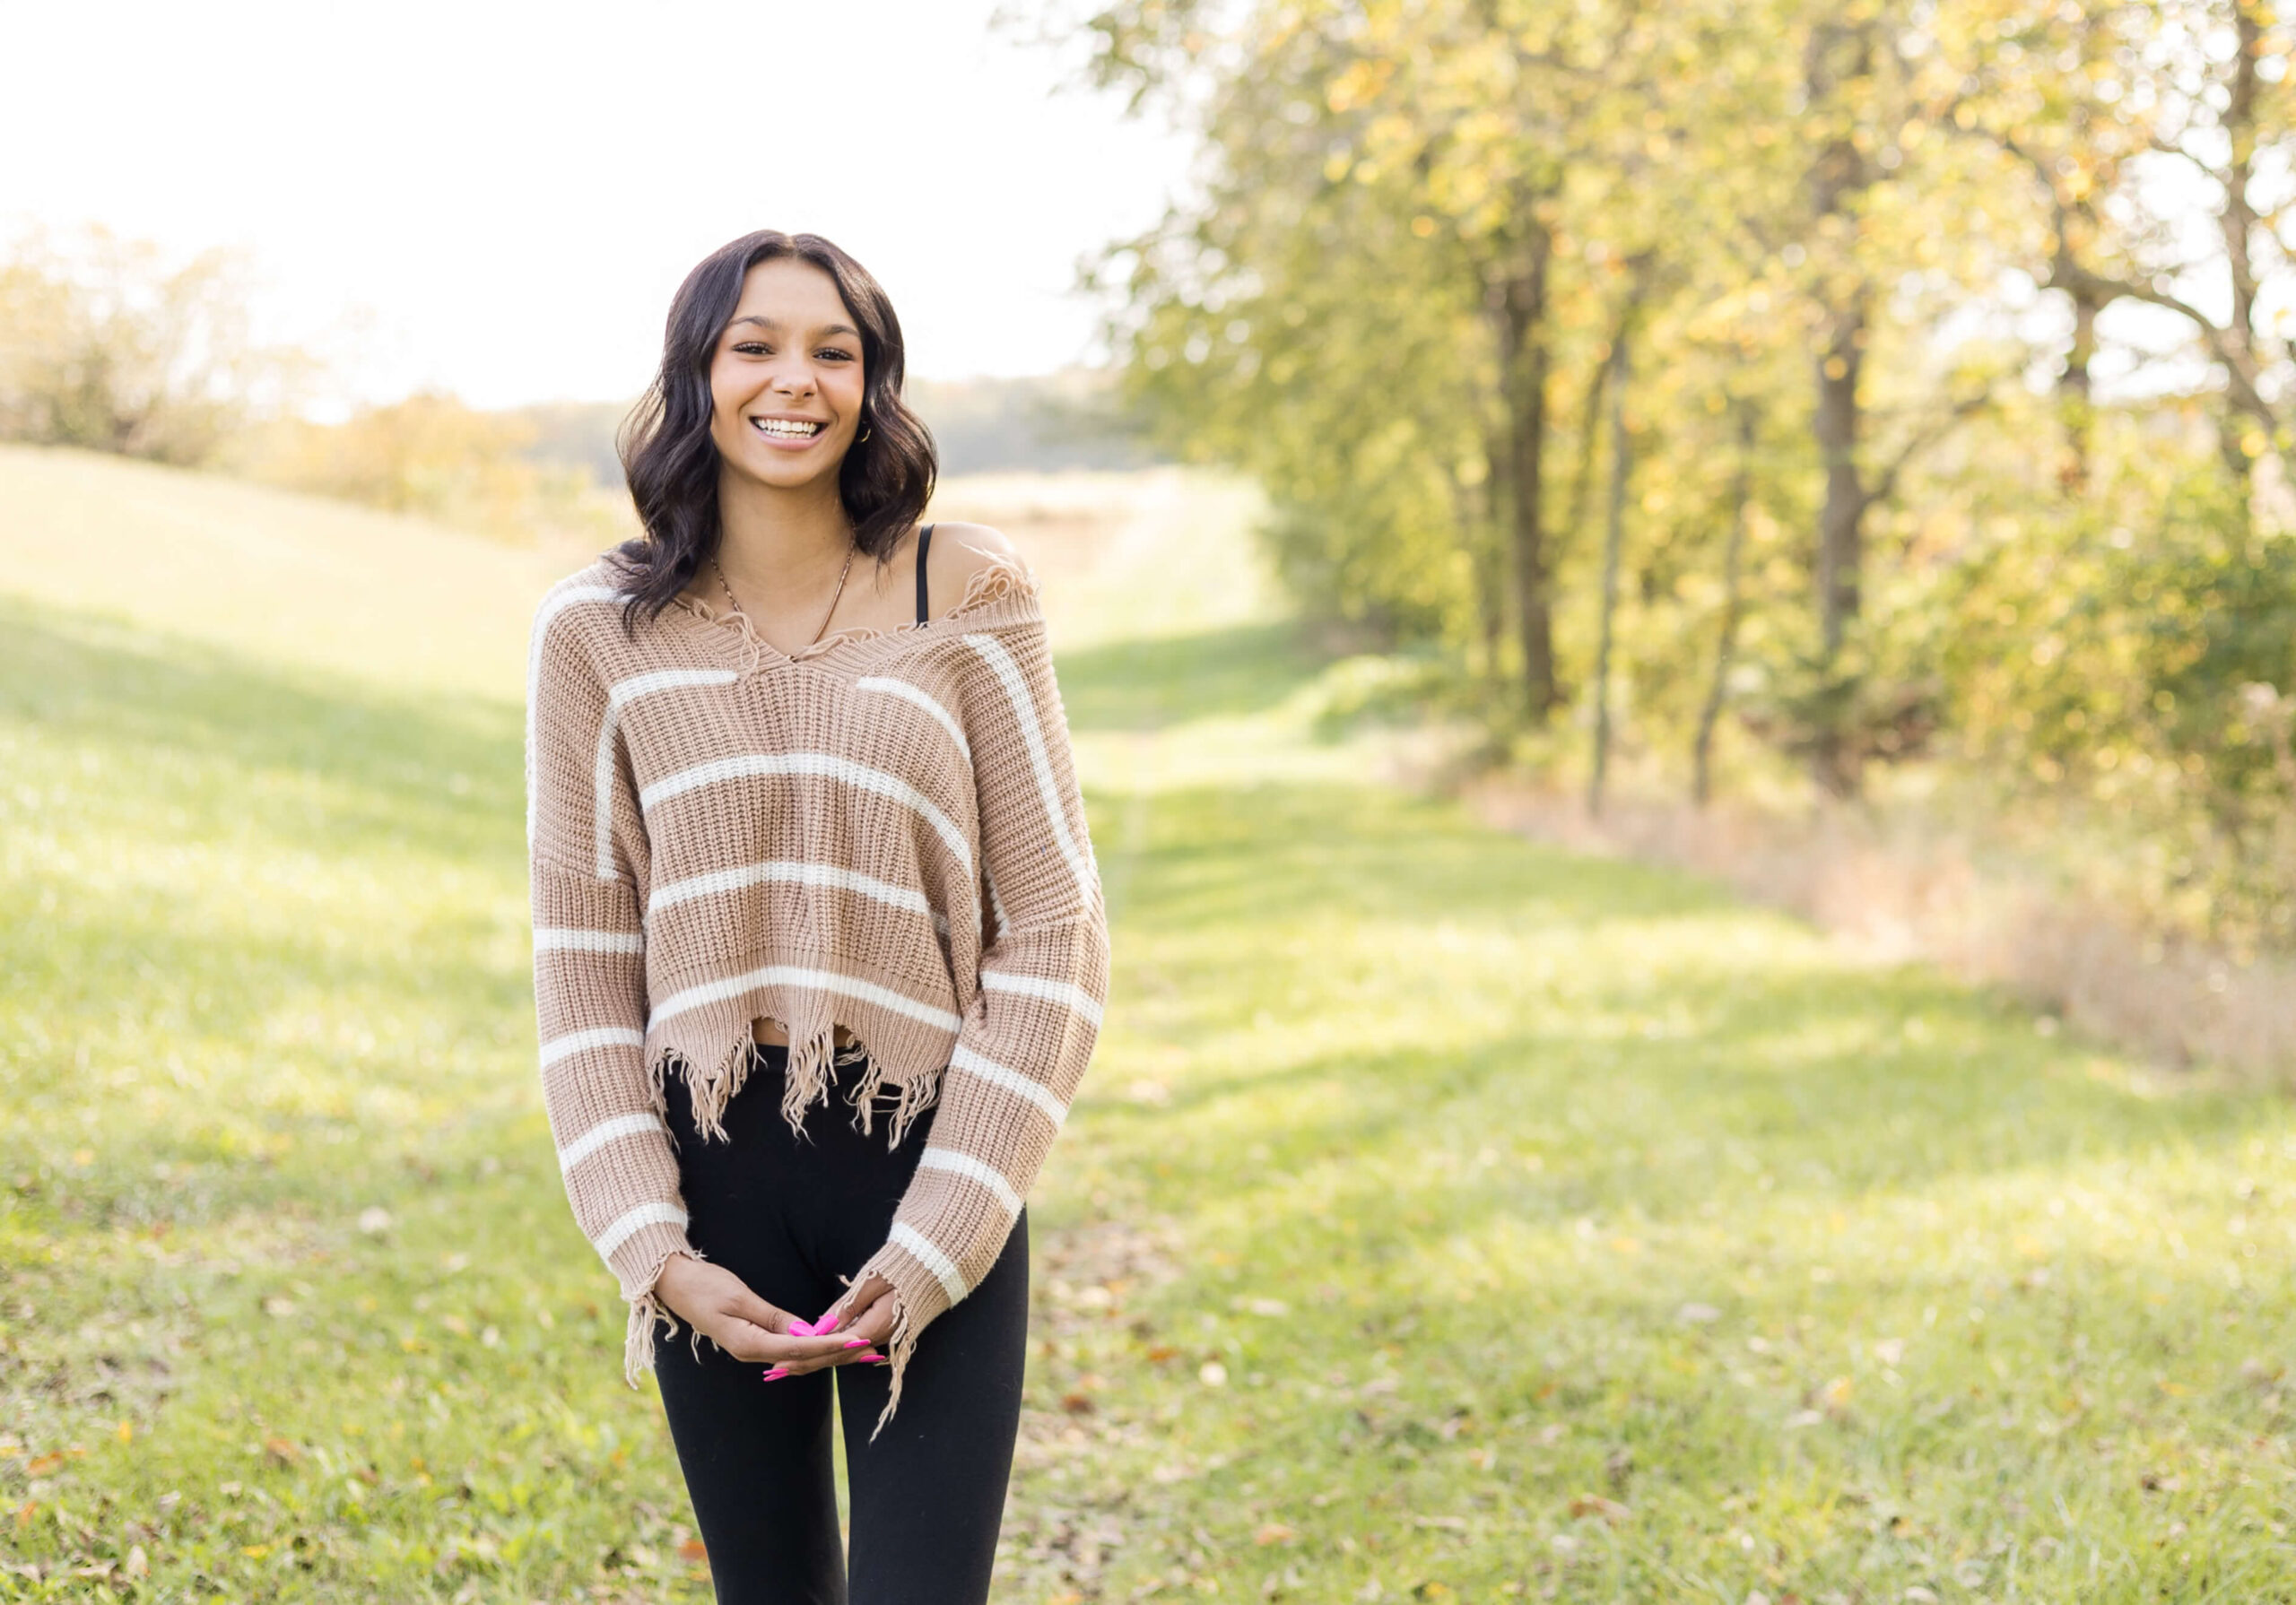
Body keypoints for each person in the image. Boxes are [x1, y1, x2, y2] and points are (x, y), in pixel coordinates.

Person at [522, 228, 1112, 1604]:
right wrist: (652, 1253)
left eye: (833, 349)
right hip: (711, 1202)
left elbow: (1057, 931)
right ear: (700, 375)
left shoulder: (964, 589)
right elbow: (584, 963)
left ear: (872, 384)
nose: (795, 379)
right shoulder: (593, 632)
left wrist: (943, 1233)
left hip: (930, 1169)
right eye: (757, 344)